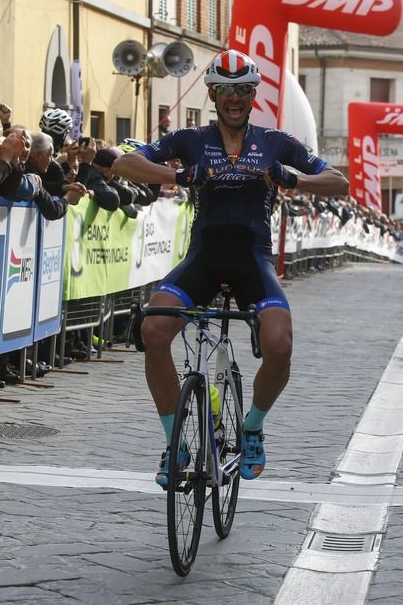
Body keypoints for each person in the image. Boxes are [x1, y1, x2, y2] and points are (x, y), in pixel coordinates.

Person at [112, 49, 349, 484]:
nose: (234, 98)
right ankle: (175, 444)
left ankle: (253, 428)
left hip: (253, 263)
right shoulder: (188, 140)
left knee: (279, 345)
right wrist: (179, 177)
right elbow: (123, 162)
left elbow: (340, 182)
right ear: (213, 94)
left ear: (254, 94)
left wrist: (292, 178)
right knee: (152, 331)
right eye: (225, 91)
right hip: (202, 259)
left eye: (243, 90)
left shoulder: (276, 142)